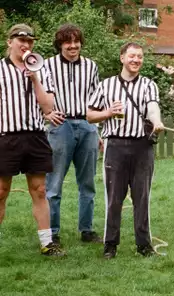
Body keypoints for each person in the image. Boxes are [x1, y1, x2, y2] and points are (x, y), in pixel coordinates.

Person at [87, 42, 164, 259]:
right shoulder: (106, 85)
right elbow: (90, 114)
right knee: (114, 198)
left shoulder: (149, 84)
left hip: (142, 147)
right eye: (132, 56)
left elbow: (152, 107)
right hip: (116, 147)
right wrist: (108, 113)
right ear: (122, 58)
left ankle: (144, 245)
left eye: (139, 56)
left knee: (142, 197)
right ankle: (110, 245)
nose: (136, 60)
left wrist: (156, 121)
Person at [0, 24, 64, 256]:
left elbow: (48, 106)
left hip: (36, 136)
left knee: (39, 189)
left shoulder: (42, 69)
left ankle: (47, 244)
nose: (26, 45)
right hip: (6, 136)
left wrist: (35, 78)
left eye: (29, 41)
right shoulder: (0, 69)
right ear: (10, 42)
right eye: (21, 40)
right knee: (1, 190)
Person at [44, 23, 102, 246]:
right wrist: (47, 114)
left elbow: (97, 100)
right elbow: (37, 95)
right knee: (54, 183)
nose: (73, 46)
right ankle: (53, 232)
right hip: (61, 126)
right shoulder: (47, 66)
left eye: (76, 41)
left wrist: (98, 131)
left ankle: (86, 230)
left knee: (87, 183)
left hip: (87, 126)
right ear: (60, 44)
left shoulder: (91, 66)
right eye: (68, 42)